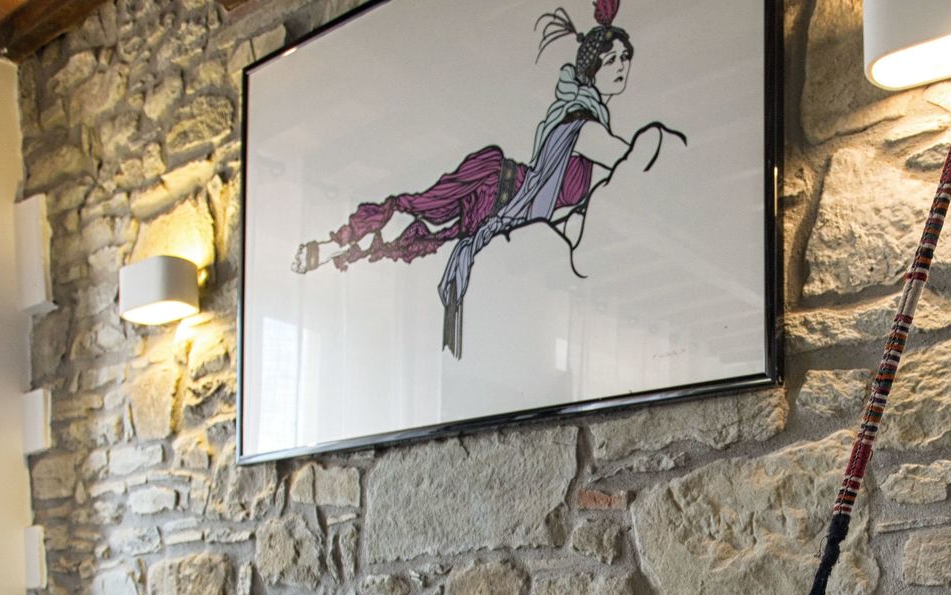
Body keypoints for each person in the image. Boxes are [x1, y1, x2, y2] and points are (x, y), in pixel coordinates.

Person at [291, 0, 685, 357]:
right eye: (612, 59)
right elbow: (630, 162)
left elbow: (576, 206)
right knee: (419, 214)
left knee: (422, 230)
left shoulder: (581, 118)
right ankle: (334, 244)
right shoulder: (586, 126)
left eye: (625, 58)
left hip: (502, 202)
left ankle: (336, 250)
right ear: (592, 68)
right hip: (498, 186)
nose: (621, 66)